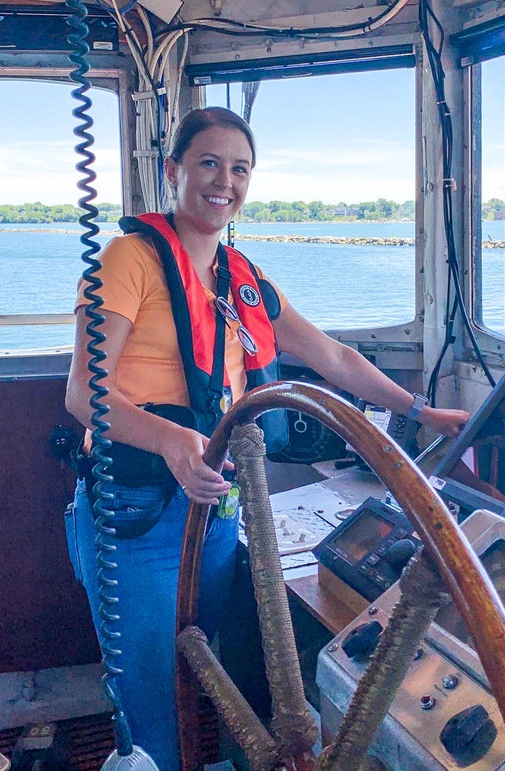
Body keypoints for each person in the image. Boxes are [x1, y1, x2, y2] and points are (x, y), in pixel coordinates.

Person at [64, 106, 469, 771]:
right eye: (208, 163)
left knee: (202, 672)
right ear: (174, 171)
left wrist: (420, 409)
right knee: (151, 700)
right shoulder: (127, 260)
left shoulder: (240, 277)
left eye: (239, 168)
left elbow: (334, 357)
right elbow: (83, 393)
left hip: (217, 510)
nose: (224, 181)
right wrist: (170, 438)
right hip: (134, 514)